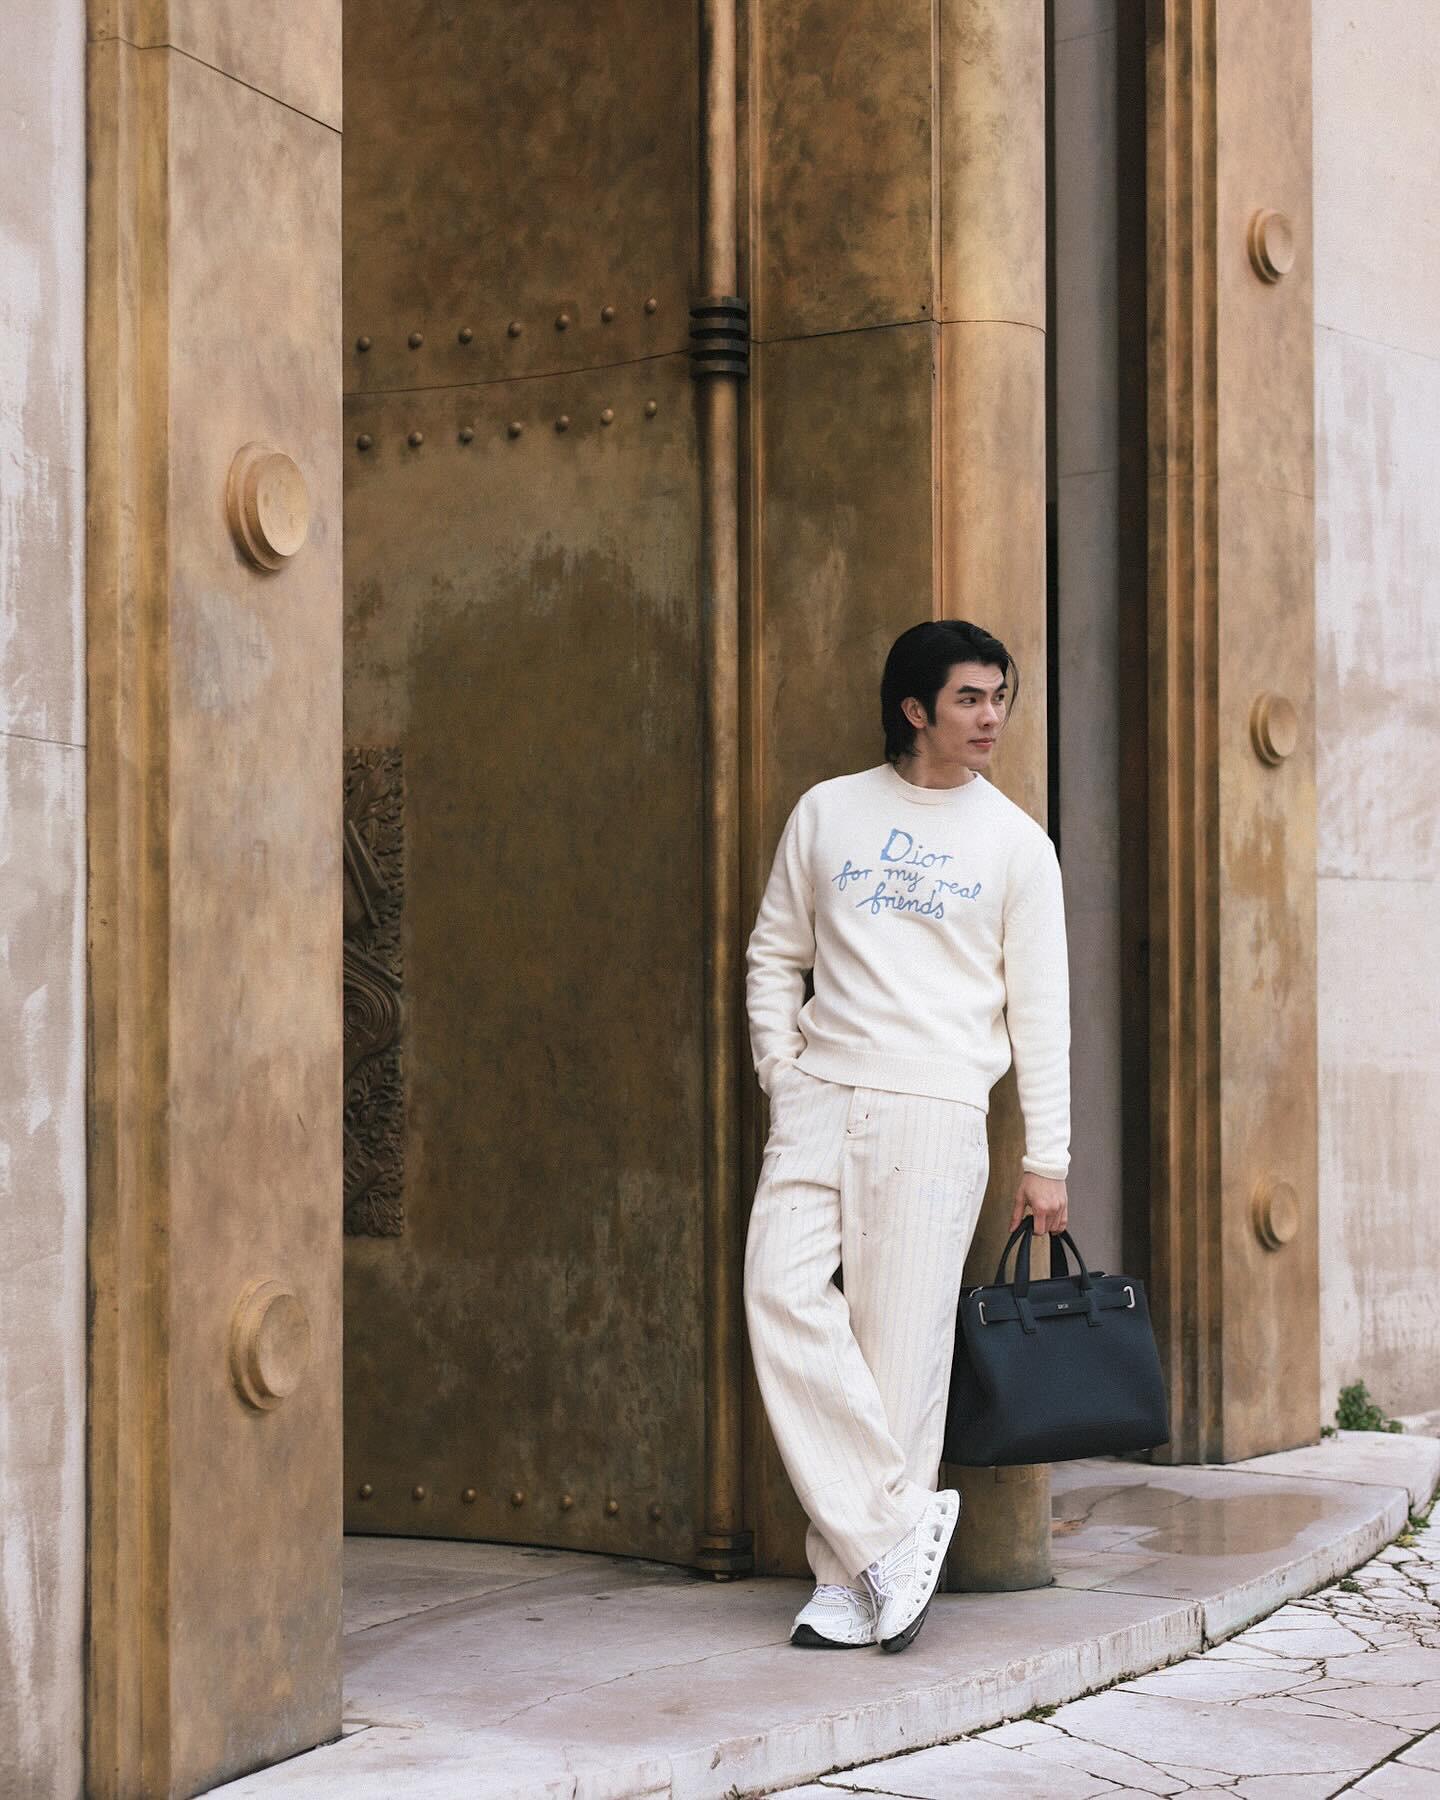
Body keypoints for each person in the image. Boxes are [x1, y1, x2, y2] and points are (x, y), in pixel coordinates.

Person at [743, 618, 1071, 1654]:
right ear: (915, 708)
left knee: (901, 1353)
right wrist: (781, 1071)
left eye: (1000, 697)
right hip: (819, 1095)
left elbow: (1042, 1015)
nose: (992, 717)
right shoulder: (828, 811)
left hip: (936, 1108)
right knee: (778, 1293)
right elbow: (774, 954)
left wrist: (1048, 1159)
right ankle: (892, 1533)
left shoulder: (1016, 844)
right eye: (971, 698)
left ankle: (850, 1583)